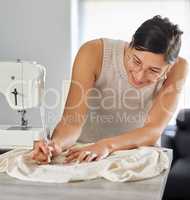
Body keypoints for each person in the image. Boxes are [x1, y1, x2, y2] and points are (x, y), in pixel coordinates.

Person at [32, 15, 188, 164]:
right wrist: (55, 145)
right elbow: (72, 122)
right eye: (136, 61)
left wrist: (106, 145)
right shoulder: (93, 52)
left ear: (169, 67)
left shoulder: (179, 67)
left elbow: (152, 131)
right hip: (84, 149)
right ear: (131, 44)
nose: (139, 76)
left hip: (136, 154)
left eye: (154, 70)